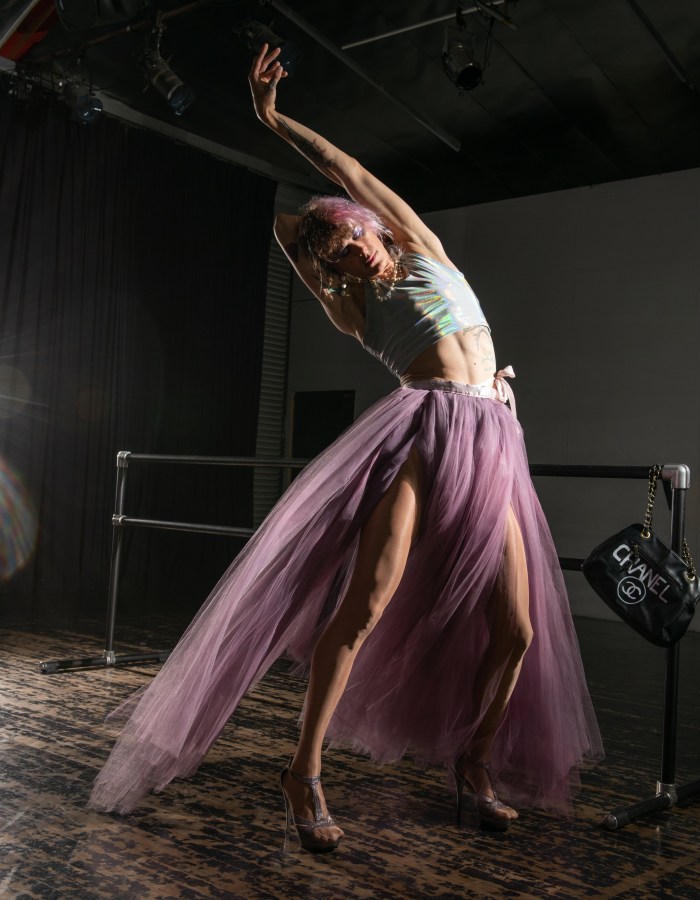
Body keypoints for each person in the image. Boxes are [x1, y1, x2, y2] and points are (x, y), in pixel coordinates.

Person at [88, 45, 603, 852]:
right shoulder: (356, 313)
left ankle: (472, 764)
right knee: (363, 607)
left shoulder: (427, 250)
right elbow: (294, 235)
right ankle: (305, 770)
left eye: (352, 236)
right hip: (424, 436)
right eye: (333, 253)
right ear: (330, 270)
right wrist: (281, 210)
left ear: (371, 227)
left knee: (519, 630)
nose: (348, 249)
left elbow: (348, 169)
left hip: (494, 436)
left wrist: (275, 120)